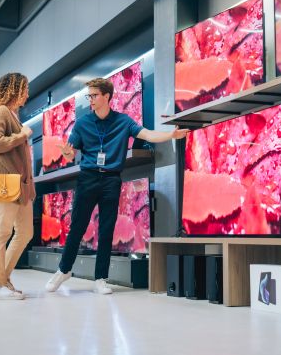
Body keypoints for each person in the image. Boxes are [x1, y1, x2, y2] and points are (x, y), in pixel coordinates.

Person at [45, 77, 188, 295]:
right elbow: (71, 152)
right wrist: (67, 153)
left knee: (106, 229)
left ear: (107, 97)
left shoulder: (123, 121)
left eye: (94, 96)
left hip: (111, 179)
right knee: (77, 227)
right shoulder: (82, 123)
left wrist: (171, 134)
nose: (90, 100)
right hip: (88, 177)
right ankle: (64, 270)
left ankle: (100, 278)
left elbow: (146, 133)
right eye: (89, 96)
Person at [0, 72, 35, 300]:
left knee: (25, 233)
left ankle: (3, 280)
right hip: (8, 184)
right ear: (15, 90)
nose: (27, 93)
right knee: (2, 233)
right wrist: (22, 136)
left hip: (21, 186)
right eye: (25, 88)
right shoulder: (2, 112)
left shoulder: (13, 114)